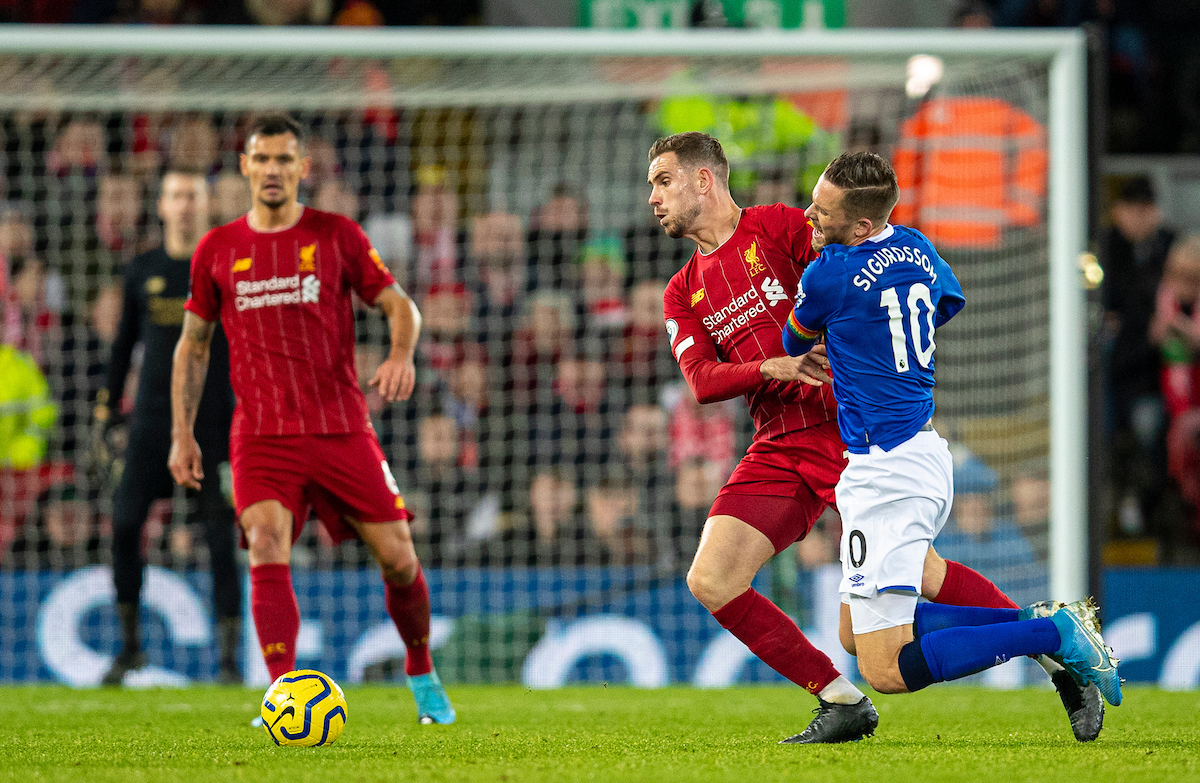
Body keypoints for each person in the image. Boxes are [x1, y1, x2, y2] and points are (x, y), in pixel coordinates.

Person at [649, 132, 1103, 743]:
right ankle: (841, 700)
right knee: (713, 579)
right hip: (780, 443)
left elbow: (872, 272)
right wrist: (771, 367)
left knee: (921, 578)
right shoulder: (682, 291)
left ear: (705, 180)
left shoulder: (782, 228)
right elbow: (702, 381)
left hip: (854, 431)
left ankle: (1055, 656)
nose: (654, 197)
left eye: (663, 180)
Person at [781, 151, 1121, 728]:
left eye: (823, 209)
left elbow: (794, 343)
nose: (809, 213)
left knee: (885, 670)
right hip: (921, 452)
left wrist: (855, 339)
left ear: (861, 226)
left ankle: (1055, 633)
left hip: (885, 471)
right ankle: (1052, 645)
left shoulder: (829, 273)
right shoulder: (915, 245)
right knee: (874, 617)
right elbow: (945, 303)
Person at [168, 114, 454, 725]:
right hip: (262, 435)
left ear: (303, 168)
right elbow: (192, 345)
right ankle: (284, 694)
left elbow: (399, 303)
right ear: (245, 166)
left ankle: (421, 669)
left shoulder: (336, 235)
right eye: (262, 159)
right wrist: (181, 432)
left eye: (284, 159)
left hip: (340, 426)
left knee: (399, 557)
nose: (273, 170)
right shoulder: (217, 249)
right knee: (266, 544)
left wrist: (401, 352)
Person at [97, 167, 243, 686]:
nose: (184, 205)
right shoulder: (141, 270)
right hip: (151, 425)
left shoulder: (226, 267)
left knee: (222, 538)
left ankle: (229, 662)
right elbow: (122, 347)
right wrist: (108, 409)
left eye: (193, 196)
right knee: (123, 526)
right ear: (160, 206)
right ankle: (130, 647)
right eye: (176, 196)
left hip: (213, 427)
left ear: (206, 206)